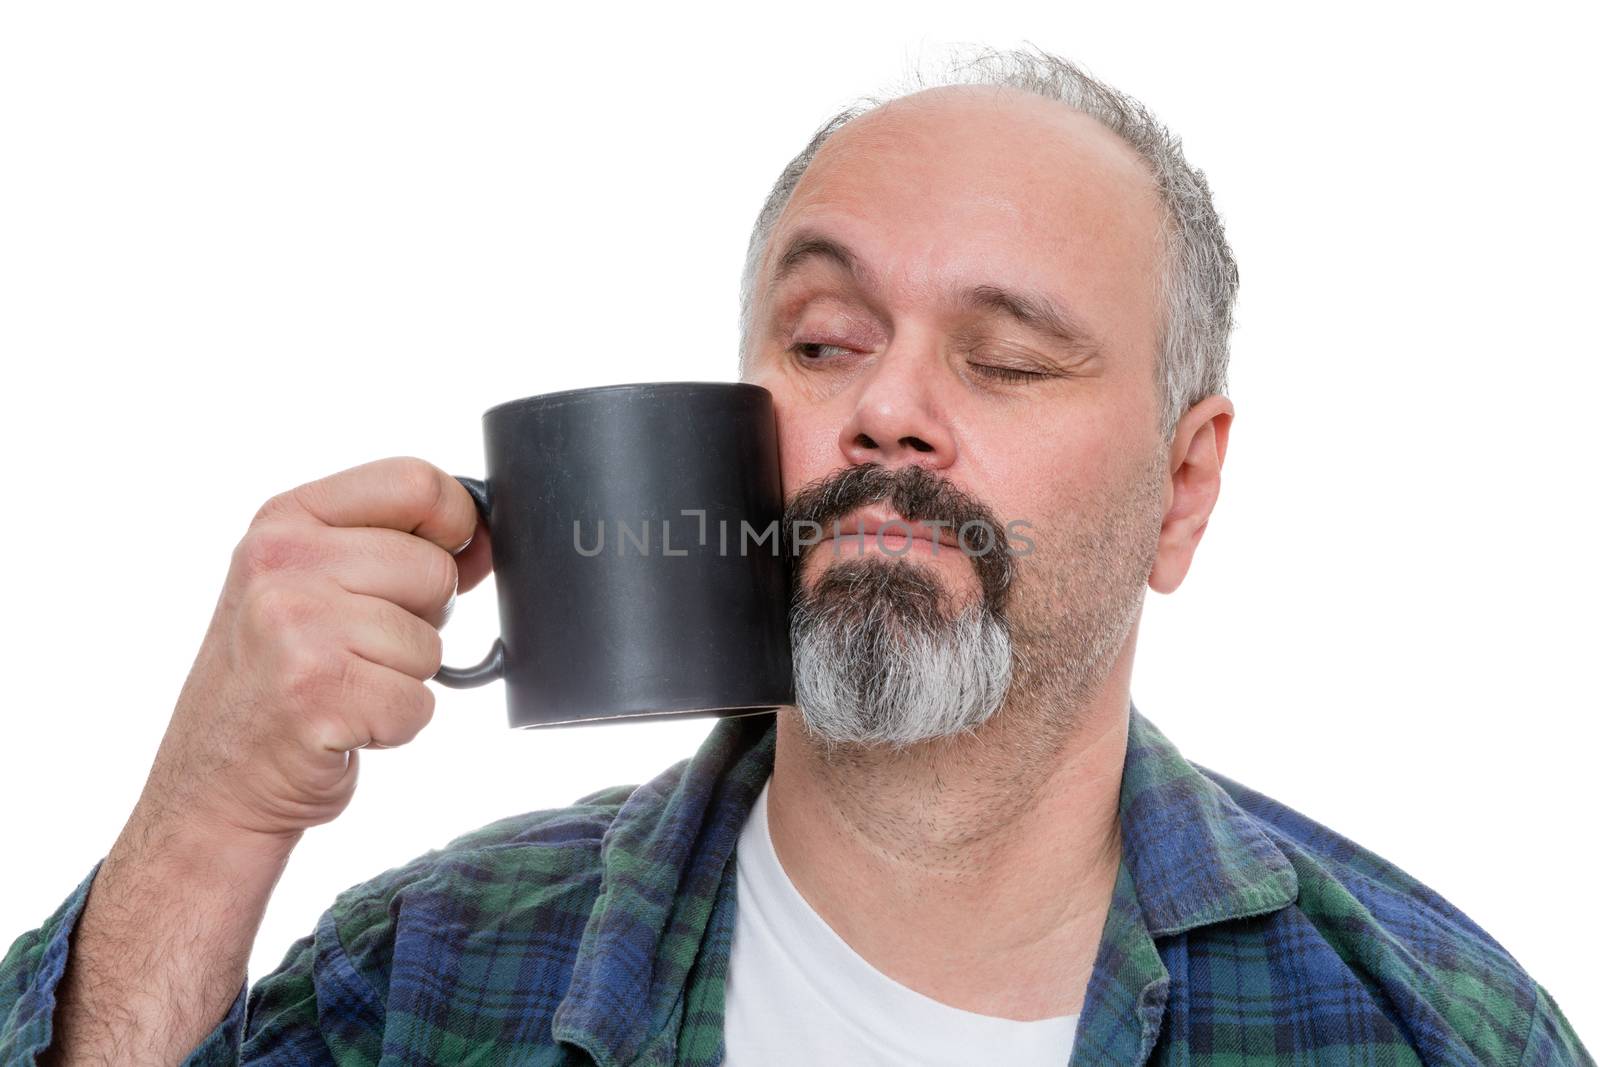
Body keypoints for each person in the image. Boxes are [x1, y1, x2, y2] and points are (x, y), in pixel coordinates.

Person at [1, 44, 1591, 1067]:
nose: (889, 409)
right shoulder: (428, 977)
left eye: (1009, 360)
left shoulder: (1436, 1036)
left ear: (1185, 491)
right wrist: (209, 818)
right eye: (825, 341)